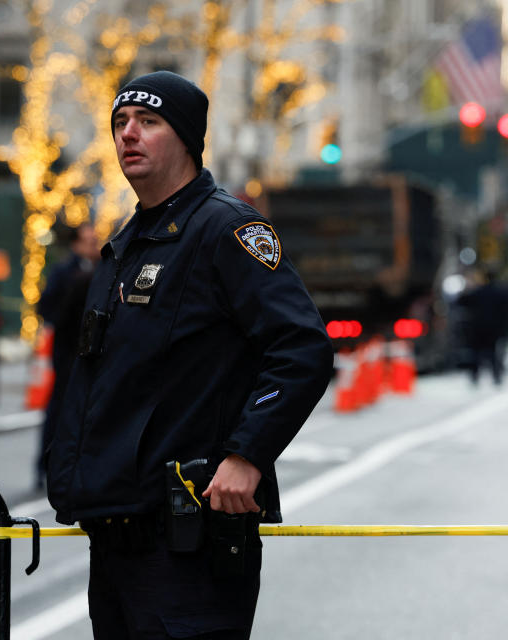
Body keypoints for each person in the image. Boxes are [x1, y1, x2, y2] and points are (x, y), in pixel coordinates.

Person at [45, 70, 333, 639]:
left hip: (189, 541)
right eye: (120, 122)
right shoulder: (128, 243)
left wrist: (247, 456)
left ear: (186, 137)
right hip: (117, 535)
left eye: (148, 122)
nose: (129, 134)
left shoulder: (228, 228)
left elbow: (302, 347)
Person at [33, 223, 100, 489]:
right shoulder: (66, 271)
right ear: (76, 243)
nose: (94, 245)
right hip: (68, 352)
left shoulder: (100, 267)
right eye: (89, 240)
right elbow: (47, 308)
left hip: (89, 353)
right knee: (60, 409)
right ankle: (46, 465)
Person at [457, 268, 508, 386]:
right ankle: (496, 376)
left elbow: (462, 301)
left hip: (478, 327)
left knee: (476, 353)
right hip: (494, 328)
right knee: (493, 353)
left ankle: (475, 375)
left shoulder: (478, 291)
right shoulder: (501, 293)